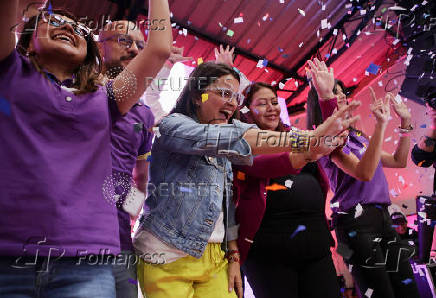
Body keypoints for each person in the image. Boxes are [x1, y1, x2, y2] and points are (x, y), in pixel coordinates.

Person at [132, 61, 359, 298]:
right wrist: (312, 140)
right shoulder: (173, 126)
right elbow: (237, 140)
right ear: (197, 96)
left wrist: (232, 255)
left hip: (216, 259)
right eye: (223, 93)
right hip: (167, 255)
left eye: (235, 97)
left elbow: (227, 205)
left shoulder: (233, 131)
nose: (231, 102)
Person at [0, 0, 172, 297]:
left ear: (87, 54)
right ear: (26, 41)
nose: (68, 26)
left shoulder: (106, 101)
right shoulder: (9, 73)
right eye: (52, 22)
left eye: (80, 29)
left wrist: (129, 209)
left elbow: (158, 49)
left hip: (87, 264)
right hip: (8, 257)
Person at [306, 58, 420, 298]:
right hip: (355, 224)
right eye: (332, 93)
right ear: (321, 101)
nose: (341, 97)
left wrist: (406, 123)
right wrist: (380, 126)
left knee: (407, 289)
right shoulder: (327, 141)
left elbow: (398, 161)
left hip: (382, 218)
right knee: (382, 294)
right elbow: (364, 173)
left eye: (341, 92)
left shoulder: (358, 136)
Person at [233, 81, 342, 298]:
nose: (272, 108)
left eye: (274, 102)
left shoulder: (296, 134)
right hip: (269, 256)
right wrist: (310, 147)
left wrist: (327, 97)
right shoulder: (242, 142)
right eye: (262, 104)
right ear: (247, 110)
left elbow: (333, 140)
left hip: (316, 248)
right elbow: (276, 162)